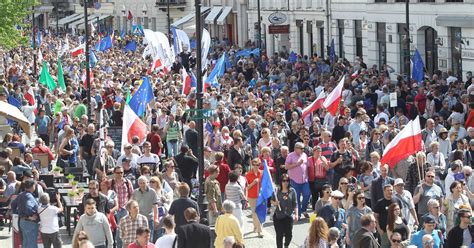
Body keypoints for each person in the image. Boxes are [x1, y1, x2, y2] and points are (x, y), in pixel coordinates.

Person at [271, 173, 298, 248]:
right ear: (281, 181)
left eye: (287, 180)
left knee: (289, 235)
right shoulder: (276, 191)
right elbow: (271, 201)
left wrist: (296, 214)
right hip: (278, 217)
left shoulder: (292, 191)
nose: (285, 182)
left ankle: (286, 245)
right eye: (284, 181)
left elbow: (295, 204)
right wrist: (275, 203)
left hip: (288, 216)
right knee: (279, 235)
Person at [284, 142, 310, 218]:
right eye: (301, 148)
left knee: (307, 194)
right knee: (297, 197)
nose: (303, 150)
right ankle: (298, 214)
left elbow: (306, 167)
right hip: (294, 180)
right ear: (296, 149)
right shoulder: (290, 156)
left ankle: (303, 209)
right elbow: (286, 167)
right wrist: (296, 164)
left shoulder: (305, 155)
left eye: (303, 148)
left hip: (304, 179)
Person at [11, 179, 39, 248]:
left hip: (22, 222)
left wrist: (19, 213)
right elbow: (28, 207)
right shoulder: (29, 196)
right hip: (29, 223)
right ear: (32, 186)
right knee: (31, 244)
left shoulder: (21, 194)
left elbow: (13, 204)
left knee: (25, 243)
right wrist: (29, 216)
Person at [132, 176, 159, 241]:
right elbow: (133, 205)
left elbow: (155, 206)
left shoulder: (152, 192)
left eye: (144, 183)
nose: (142, 185)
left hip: (149, 218)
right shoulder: (135, 192)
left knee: (149, 238)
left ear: (147, 182)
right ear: (138, 184)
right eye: (140, 183)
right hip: (139, 219)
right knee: (139, 238)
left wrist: (156, 218)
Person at [245, 157, 263, 236]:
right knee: (254, 212)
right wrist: (253, 183)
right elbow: (246, 188)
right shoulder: (248, 175)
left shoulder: (262, 173)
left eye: (258, 164)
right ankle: (259, 230)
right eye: (254, 164)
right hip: (252, 196)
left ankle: (256, 227)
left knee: (258, 212)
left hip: (261, 196)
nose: (256, 166)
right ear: (252, 165)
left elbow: (265, 184)